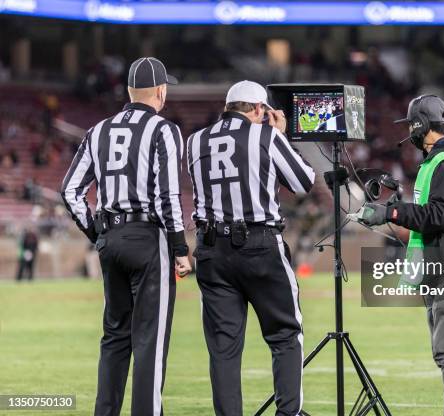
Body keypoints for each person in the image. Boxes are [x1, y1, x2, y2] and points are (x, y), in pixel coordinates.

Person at [60, 57, 192, 416]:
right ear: (161, 91)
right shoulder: (163, 129)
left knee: (115, 338)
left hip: (110, 237)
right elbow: (167, 196)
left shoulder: (98, 130)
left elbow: (70, 190)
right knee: (149, 341)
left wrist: (97, 233)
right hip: (147, 238)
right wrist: (180, 248)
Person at [357, 95, 444, 416]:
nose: (409, 133)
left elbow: (440, 215)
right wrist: (400, 209)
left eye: (411, 125)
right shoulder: (442, 162)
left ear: (422, 125)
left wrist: (391, 213)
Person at [186, 80, 315, 415]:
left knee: (223, 349)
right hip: (259, 245)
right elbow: (303, 181)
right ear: (259, 108)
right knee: (285, 334)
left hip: (211, 248)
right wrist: (282, 135)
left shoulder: (195, 140)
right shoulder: (267, 136)